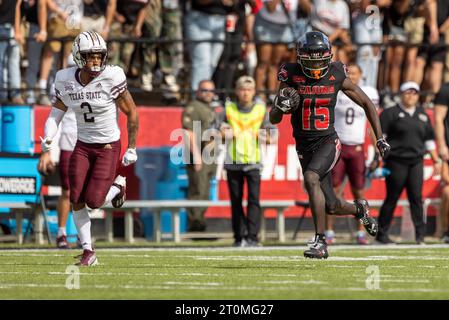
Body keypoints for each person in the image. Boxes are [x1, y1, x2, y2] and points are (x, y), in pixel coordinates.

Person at [269, 31, 390, 259]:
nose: (315, 66)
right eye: (310, 60)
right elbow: (273, 119)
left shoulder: (336, 73)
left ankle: (320, 242)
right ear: (300, 58)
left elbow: (366, 102)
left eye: (319, 60)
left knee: (311, 178)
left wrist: (380, 137)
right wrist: (279, 107)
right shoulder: (291, 74)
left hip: (328, 140)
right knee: (331, 205)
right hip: (304, 144)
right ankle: (360, 209)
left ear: (328, 57)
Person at [40, 31, 139, 266]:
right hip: (82, 145)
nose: (96, 61)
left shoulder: (112, 76)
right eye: (90, 56)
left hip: (107, 146)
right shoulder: (65, 78)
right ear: (78, 56)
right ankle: (88, 251)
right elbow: (57, 112)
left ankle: (118, 186)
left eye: (99, 56)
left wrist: (132, 146)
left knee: (94, 201)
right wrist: (49, 136)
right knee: (75, 196)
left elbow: (132, 112)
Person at [377, 81, 440, 244]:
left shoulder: (422, 114)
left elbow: (429, 139)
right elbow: (380, 137)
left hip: (416, 162)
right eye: (407, 92)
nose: (411, 96)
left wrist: (435, 160)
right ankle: (382, 234)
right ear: (401, 94)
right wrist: (379, 158)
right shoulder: (390, 113)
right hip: (396, 161)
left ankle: (420, 236)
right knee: (392, 197)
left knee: (416, 198)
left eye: (414, 93)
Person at [220, 76, 277, 247]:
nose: (245, 93)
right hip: (233, 162)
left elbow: (272, 135)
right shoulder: (228, 109)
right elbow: (212, 130)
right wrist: (223, 132)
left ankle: (252, 237)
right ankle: (238, 237)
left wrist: (265, 137)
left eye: (249, 89)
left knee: (253, 200)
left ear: (254, 92)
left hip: (253, 162)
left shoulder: (261, 110)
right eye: (242, 89)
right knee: (235, 201)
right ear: (237, 91)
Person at [327, 63, 380, 245]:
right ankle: (329, 231)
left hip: (357, 148)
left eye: (356, 73)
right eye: (350, 73)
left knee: (359, 192)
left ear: (362, 75)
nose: (353, 76)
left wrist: (376, 151)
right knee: (333, 191)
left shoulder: (368, 92)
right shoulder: (336, 89)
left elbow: (372, 123)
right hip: (338, 147)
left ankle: (361, 232)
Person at [182, 80, 218, 232]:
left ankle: (200, 224)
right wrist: (196, 156)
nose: (208, 93)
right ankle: (196, 227)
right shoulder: (194, 107)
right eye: (204, 90)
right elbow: (188, 132)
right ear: (198, 91)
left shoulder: (209, 108)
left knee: (204, 192)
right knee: (197, 191)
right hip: (199, 156)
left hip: (208, 157)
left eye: (211, 90)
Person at [432, 81, 449, 242]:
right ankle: (445, 231)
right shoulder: (445, 89)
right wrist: (442, 145)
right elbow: (438, 119)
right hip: (448, 150)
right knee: (447, 191)